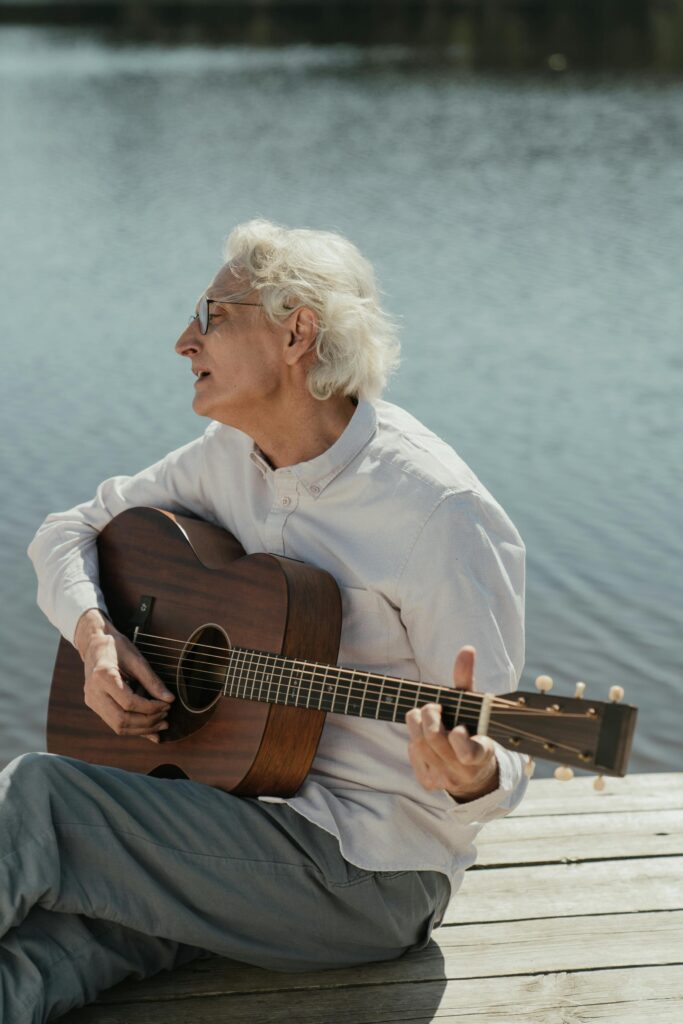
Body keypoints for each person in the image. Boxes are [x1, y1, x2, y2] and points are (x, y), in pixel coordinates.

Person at [2, 219, 527, 1022]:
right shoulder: (226, 458)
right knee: (43, 954)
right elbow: (64, 532)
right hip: (231, 824)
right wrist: (95, 637)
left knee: (40, 799)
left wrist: (472, 775)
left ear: (295, 333)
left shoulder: (437, 513)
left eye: (212, 315)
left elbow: (503, 741)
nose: (184, 340)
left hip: (367, 875)